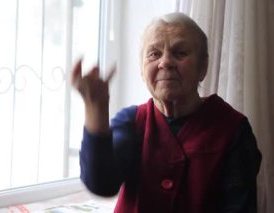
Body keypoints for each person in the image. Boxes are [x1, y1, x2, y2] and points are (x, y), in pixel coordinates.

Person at [70, 12, 262, 213]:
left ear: (202, 67)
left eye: (180, 53)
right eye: (154, 53)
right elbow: (102, 184)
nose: (166, 62)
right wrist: (96, 109)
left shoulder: (232, 129)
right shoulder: (131, 122)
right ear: (142, 69)